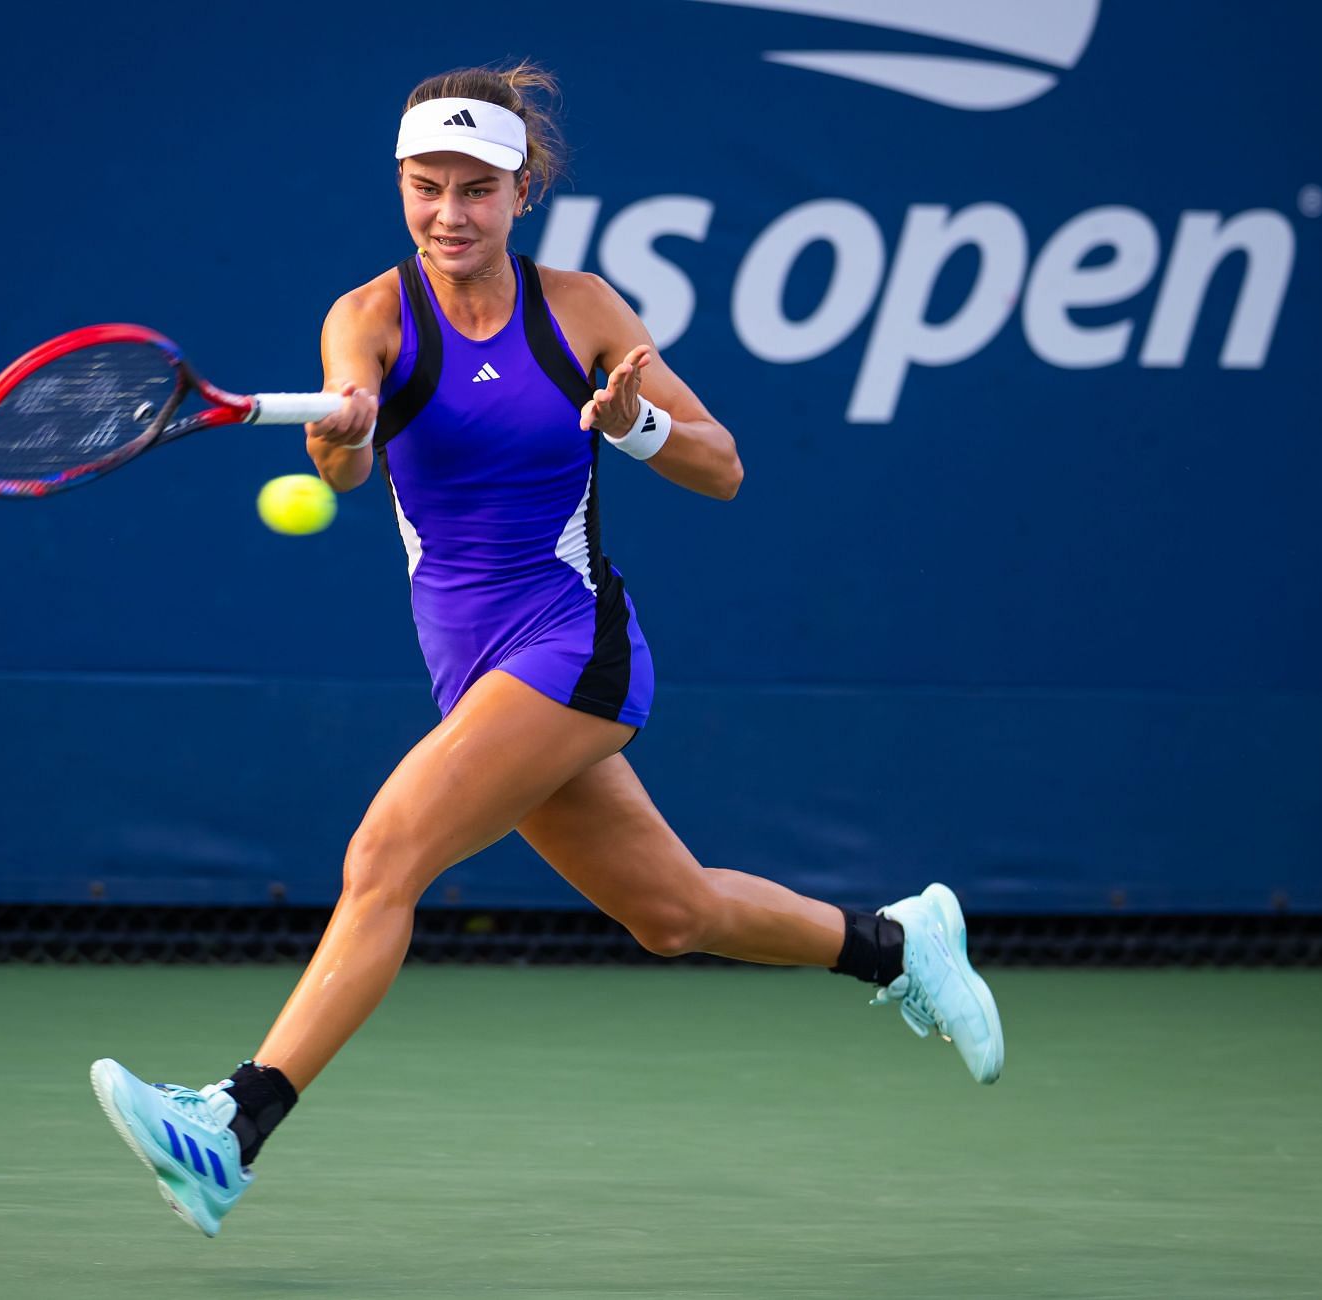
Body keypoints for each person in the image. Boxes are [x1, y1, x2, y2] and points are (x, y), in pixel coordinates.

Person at [90, 61, 1004, 1238]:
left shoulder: (580, 312)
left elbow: (721, 465)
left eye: (478, 188)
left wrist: (635, 426)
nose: (450, 214)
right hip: (470, 671)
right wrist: (345, 434)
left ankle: (233, 1126)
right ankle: (898, 946)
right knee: (672, 913)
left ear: (523, 193)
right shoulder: (365, 319)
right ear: (402, 187)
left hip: (572, 645)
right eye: (428, 187)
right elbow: (348, 463)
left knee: (386, 854)